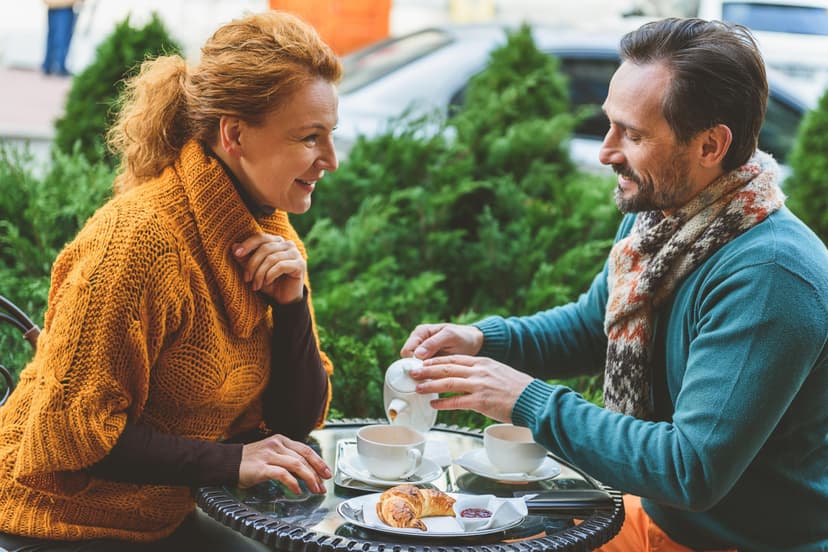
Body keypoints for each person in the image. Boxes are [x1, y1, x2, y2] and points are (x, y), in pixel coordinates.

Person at [401, 18, 828, 552]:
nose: (606, 151)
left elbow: (689, 469)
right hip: (647, 516)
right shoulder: (663, 219)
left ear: (711, 145)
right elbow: (593, 326)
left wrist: (525, 401)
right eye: (609, 124)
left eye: (634, 133)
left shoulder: (769, 276)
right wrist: (481, 340)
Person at [0, 10, 340, 550]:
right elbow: (72, 435)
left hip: (161, 514)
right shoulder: (139, 243)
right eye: (309, 137)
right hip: (57, 516)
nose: (331, 160)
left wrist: (291, 304)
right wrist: (234, 460)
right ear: (234, 134)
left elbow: (293, 421)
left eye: (331, 135)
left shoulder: (271, 235)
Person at [42, 0, 80, 76]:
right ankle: (59, 66)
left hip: (53, 5)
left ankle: (48, 65)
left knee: (53, 36)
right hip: (64, 6)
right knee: (62, 37)